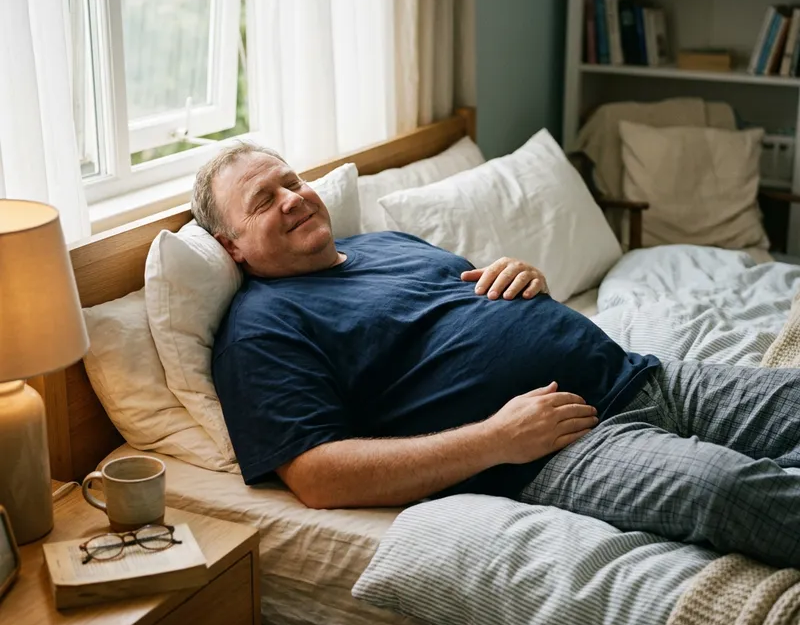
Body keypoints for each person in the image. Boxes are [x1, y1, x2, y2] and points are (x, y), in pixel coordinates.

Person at [194, 142, 800, 569]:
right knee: (728, 490)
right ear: (232, 246)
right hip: (558, 448)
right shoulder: (261, 329)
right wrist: (495, 440)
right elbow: (317, 476)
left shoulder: (384, 244)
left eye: (292, 181)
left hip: (638, 373)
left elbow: (472, 313)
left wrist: (527, 279)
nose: (292, 199)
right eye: (263, 200)